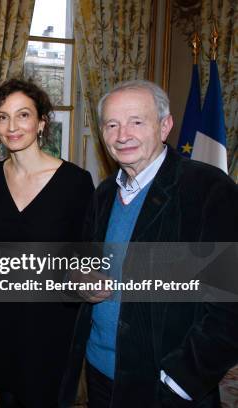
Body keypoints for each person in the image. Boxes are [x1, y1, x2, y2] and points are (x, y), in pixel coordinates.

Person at [59, 80, 238, 407]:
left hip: (165, 386)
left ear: (165, 126)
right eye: (111, 124)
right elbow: (82, 263)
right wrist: (78, 279)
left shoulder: (208, 190)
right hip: (100, 374)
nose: (122, 134)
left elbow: (230, 305)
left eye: (136, 122)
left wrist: (181, 381)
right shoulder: (103, 193)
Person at [0, 78, 94, 407]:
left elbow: (87, 258)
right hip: (4, 322)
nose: (12, 126)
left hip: (53, 326)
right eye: (3, 117)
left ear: (42, 122)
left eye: (23, 115)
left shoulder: (75, 182)